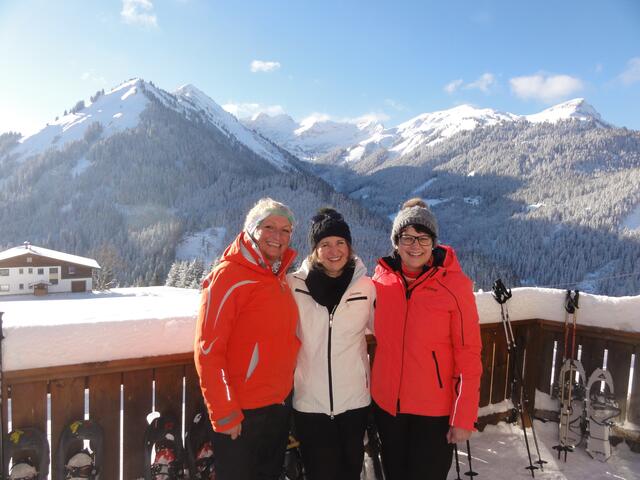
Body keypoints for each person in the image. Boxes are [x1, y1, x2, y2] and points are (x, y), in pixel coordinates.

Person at [371, 198, 482, 480]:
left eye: (423, 238)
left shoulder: (454, 286)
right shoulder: (381, 281)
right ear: (396, 242)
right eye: (407, 237)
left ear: (434, 243)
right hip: (388, 408)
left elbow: (469, 352)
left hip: (433, 412)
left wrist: (463, 415)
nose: (415, 246)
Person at [194, 197, 300, 480]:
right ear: (252, 230)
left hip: (277, 407)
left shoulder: (277, 277)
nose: (278, 236)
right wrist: (224, 411)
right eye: (269, 227)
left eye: (285, 230)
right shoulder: (228, 276)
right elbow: (208, 350)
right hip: (242, 413)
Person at [287, 208, 375, 480]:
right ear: (314, 250)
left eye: (340, 243)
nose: (333, 251)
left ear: (349, 247)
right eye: (325, 244)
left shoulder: (366, 286)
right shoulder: (293, 286)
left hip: (354, 402)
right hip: (310, 404)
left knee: (350, 473)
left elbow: (390, 330)